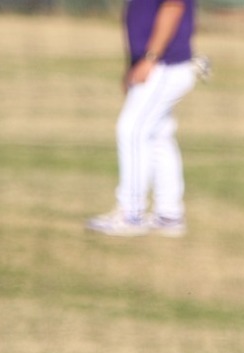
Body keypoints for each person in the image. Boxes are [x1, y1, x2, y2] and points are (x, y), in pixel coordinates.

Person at [85, 0, 199, 237]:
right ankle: (169, 215)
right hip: (161, 65)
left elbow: (173, 7)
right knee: (158, 136)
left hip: (165, 65)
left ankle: (132, 213)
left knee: (131, 130)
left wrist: (149, 59)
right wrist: (135, 65)